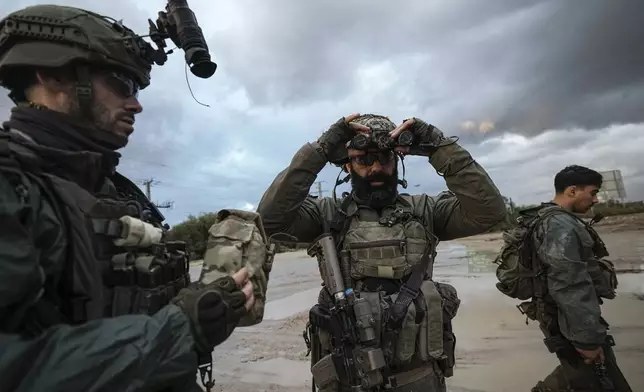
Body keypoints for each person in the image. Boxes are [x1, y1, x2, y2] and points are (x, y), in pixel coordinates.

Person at [0, 5, 253, 392]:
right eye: (121, 84)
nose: (136, 104)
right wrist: (180, 331)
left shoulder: (111, 188)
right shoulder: (14, 188)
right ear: (52, 74)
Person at [257, 113, 506, 391]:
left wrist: (439, 147)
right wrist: (320, 150)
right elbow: (268, 221)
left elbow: (489, 211)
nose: (375, 168)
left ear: (397, 161)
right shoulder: (326, 215)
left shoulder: (425, 211)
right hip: (349, 379)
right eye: (364, 159)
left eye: (384, 159)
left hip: (419, 377)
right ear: (348, 165)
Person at [524, 166, 632, 391]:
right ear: (572, 191)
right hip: (569, 322)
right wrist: (587, 339)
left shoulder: (552, 220)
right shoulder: (559, 225)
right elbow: (569, 284)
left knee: (583, 377)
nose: (595, 199)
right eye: (592, 193)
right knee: (597, 380)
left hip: (566, 320)